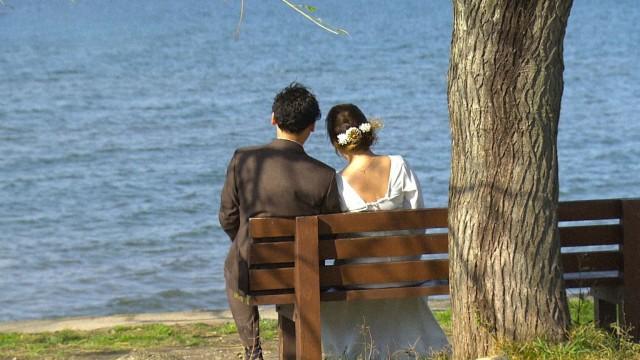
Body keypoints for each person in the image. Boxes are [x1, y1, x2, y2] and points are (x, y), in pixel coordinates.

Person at [218, 83, 342, 360]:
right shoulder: (324, 175)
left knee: (233, 264)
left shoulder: (244, 160)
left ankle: (253, 351)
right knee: (298, 273)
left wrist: (245, 241)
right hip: (301, 273)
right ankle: (290, 352)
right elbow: (332, 234)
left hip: (250, 269)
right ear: (311, 127)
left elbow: (227, 216)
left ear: (273, 118)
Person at [321, 104, 449, 359]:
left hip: (359, 278)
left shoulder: (336, 181)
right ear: (368, 132)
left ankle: (358, 349)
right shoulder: (399, 165)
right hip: (406, 271)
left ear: (336, 143)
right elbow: (419, 221)